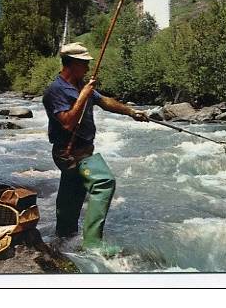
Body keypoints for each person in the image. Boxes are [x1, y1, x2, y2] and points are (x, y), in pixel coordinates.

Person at [42, 42, 148, 252]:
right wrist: (83, 95)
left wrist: (130, 112)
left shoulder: (81, 85)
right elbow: (67, 122)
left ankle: (64, 238)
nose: (88, 68)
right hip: (69, 153)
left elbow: (105, 101)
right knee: (104, 182)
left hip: (83, 151)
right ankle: (92, 243)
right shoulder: (55, 91)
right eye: (84, 64)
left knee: (72, 195)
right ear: (71, 64)